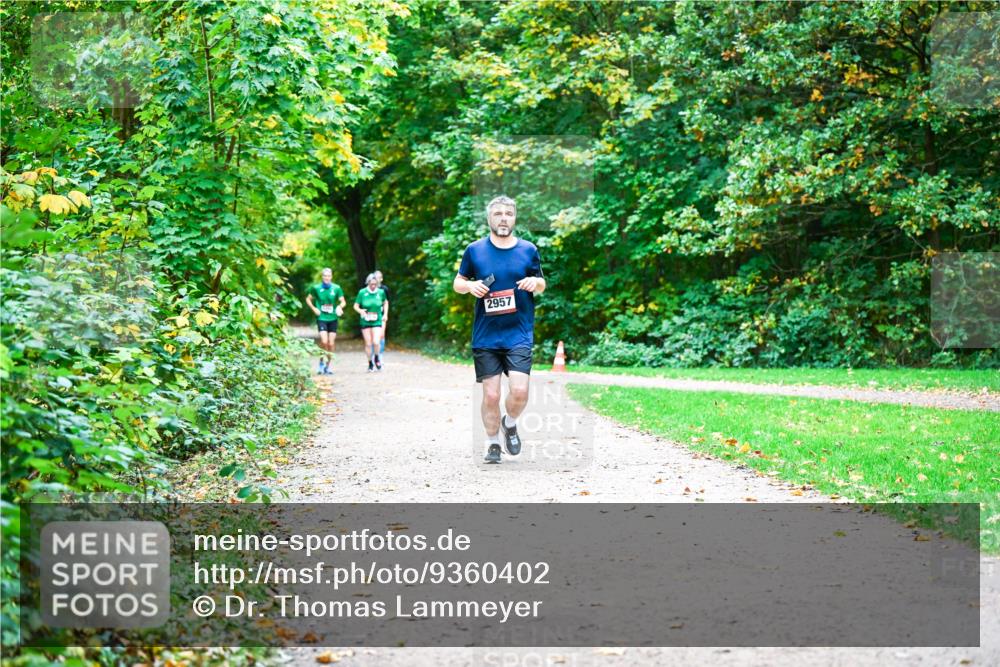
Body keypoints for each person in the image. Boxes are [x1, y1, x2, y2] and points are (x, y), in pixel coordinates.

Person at [453, 195, 545, 464]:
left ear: (514, 218)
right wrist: (470, 286)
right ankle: (492, 443)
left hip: (518, 332)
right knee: (491, 395)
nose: (504, 218)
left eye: (508, 214)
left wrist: (533, 282)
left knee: (519, 392)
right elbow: (458, 282)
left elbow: (541, 283)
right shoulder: (475, 251)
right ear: (489, 218)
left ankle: (510, 422)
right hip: (486, 334)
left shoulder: (528, 250)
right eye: (498, 214)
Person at [305, 268, 346, 374]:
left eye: (328, 276)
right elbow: (308, 299)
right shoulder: (316, 288)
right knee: (324, 341)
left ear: (331, 277)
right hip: (322, 318)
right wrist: (314, 309)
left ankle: (327, 367)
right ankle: (321, 363)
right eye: (325, 276)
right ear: (322, 277)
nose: (327, 278)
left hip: (333, 318)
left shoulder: (336, 288)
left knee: (331, 344)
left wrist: (339, 307)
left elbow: (343, 302)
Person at [354, 272, 388, 372]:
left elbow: (385, 302)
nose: (373, 286)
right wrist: (360, 311)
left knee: (376, 341)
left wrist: (385, 314)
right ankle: (370, 363)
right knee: (368, 343)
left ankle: (377, 357)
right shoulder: (362, 292)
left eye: (375, 284)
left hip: (377, 320)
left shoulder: (381, 292)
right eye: (371, 284)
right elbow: (355, 305)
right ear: (368, 283)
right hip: (365, 321)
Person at [374, 270, 391, 358]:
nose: (377, 280)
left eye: (378, 278)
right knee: (374, 336)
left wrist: (385, 314)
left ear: (381, 279)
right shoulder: (369, 289)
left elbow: (387, 302)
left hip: (381, 315)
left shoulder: (385, 289)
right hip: (372, 316)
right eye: (375, 277)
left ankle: (380, 355)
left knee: (381, 335)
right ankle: (374, 354)